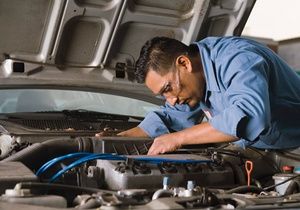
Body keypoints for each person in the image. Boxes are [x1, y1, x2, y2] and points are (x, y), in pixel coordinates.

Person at [98, 36, 300, 155]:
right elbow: (172, 117)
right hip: (265, 149)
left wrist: (177, 139)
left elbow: (250, 116)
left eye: (167, 88)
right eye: (162, 95)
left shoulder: (237, 59)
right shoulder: (193, 80)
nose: (172, 100)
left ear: (184, 63)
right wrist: (120, 138)